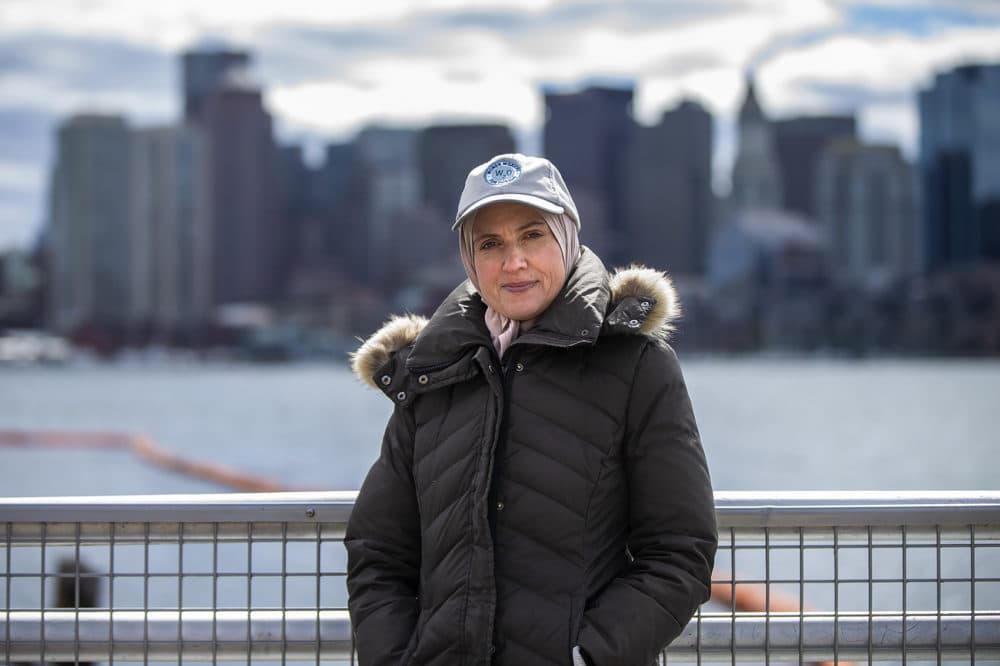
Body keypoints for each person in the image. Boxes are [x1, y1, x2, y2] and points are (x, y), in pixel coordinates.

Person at [345, 153, 717, 666]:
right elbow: (379, 552)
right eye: (490, 244)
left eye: (533, 236)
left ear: (566, 238)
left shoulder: (636, 367)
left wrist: (589, 656)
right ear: (469, 260)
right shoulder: (431, 375)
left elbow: (679, 551)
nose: (513, 261)